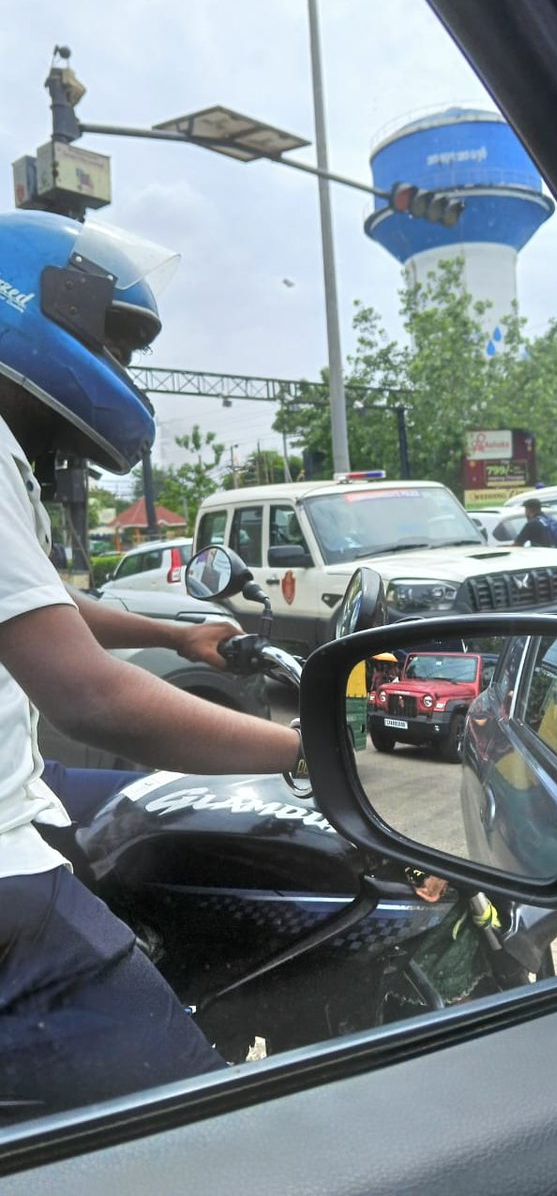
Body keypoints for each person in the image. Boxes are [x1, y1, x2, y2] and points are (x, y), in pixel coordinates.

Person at [0, 210, 303, 1118]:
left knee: (154, 814)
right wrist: (307, 751)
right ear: (40, 304)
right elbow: (90, 699)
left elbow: (30, 605)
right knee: (203, 1139)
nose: (126, 375)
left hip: (20, 781)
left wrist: (173, 637)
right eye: (119, 346)